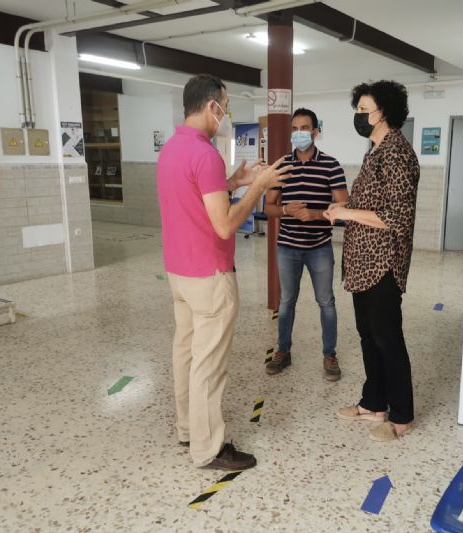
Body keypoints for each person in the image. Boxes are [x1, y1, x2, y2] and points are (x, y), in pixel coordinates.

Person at [157, 74, 292, 469]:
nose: (226, 112)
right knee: (208, 365)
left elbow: (197, 200)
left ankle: (188, 429)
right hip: (209, 275)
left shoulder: (172, 149)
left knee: (185, 353)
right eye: (225, 105)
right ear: (212, 106)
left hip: (179, 274)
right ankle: (209, 449)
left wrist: (234, 181)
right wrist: (259, 186)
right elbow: (226, 225)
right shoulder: (206, 154)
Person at [324, 80, 419, 442]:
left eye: (365, 110)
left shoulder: (396, 153)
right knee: (368, 336)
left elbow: (397, 217)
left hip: (382, 263)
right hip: (362, 262)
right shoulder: (374, 151)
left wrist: (348, 213)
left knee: (387, 338)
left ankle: (402, 415)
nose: (359, 116)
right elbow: (368, 207)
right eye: (358, 109)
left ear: (386, 112)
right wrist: (345, 211)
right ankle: (373, 403)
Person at [264, 108, 349, 381]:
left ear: (316, 131)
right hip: (287, 247)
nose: (299, 133)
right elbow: (269, 207)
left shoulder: (331, 166)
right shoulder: (281, 167)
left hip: (320, 248)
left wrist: (314, 214)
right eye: (295, 128)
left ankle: (329, 353)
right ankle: (283, 351)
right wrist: (286, 210)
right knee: (287, 301)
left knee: (326, 302)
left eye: (305, 128)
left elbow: (345, 208)